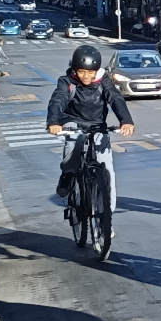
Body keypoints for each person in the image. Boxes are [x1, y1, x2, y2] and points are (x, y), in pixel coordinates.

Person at [46, 43, 134, 208]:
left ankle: (106, 217)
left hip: (97, 125)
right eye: (82, 71)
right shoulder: (67, 82)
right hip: (73, 122)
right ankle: (67, 175)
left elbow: (115, 98)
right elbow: (58, 100)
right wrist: (54, 122)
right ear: (74, 69)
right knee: (72, 147)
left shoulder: (104, 81)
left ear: (97, 71)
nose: (86, 76)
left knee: (107, 170)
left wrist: (126, 120)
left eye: (91, 72)